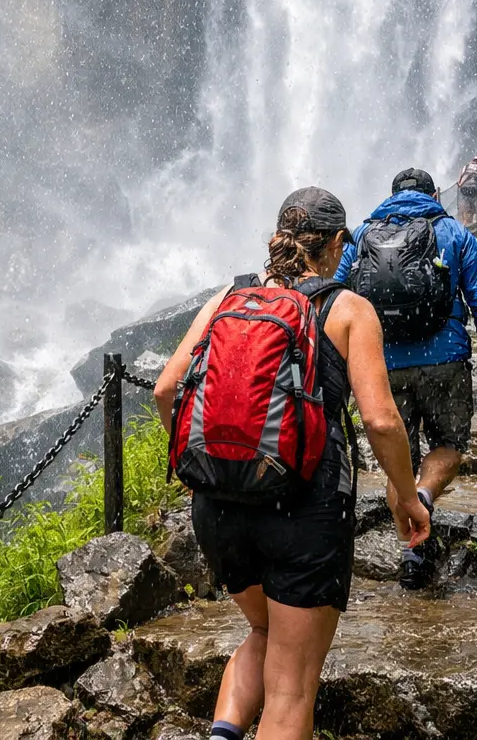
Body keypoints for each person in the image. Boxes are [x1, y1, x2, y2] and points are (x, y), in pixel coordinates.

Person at [153, 188, 430, 740]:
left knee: (262, 630)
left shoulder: (227, 299)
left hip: (219, 506)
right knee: (292, 686)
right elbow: (380, 421)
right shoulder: (348, 309)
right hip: (304, 509)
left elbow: (166, 391)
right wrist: (405, 496)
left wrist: (212, 467)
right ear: (334, 245)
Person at [337, 169, 477, 589]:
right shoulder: (452, 231)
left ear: (391, 196)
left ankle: (410, 551)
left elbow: (335, 295)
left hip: (382, 363)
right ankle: (426, 499)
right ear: (434, 195)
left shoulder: (360, 237)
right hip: (445, 358)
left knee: (399, 465)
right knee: (449, 446)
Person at [455, 156, 477, 223]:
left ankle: (468, 220)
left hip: (464, 188)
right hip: (476, 189)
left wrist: (460, 184)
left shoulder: (466, 166)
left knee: (467, 205)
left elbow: (462, 176)